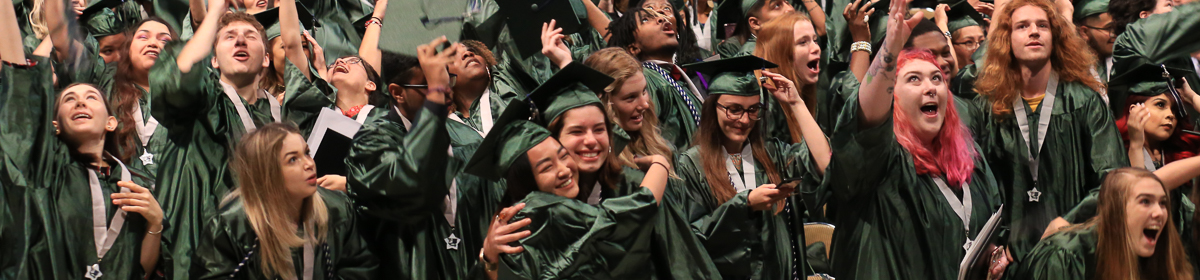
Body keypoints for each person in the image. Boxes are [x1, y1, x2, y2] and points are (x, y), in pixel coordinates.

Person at [824, 0, 1002, 276]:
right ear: (891, 96)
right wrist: (890, 51)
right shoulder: (882, 164)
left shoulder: (969, 155)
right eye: (914, 79)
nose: (930, 87)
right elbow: (866, 118)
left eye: (936, 78)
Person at [967, 0, 1127, 270]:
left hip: (1075, 253)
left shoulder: (1083, 102)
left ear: (1055, 37)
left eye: (1042, 25)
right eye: (1022, 26)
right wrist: (998, 243)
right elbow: (978, 189)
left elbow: (1113, 180)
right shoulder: (989, 108)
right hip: (1009, 260)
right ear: (1007, 40)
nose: (1034, 31)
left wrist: (1067, 223)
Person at [148, 1, 296, 277]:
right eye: (229, 36)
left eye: (250, 36)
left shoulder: (281, 117)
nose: (240, 40)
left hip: (269, 253)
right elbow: (179, 76)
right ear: (213, 60)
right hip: (201, 253)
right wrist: (215, 11)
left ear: (266, 59)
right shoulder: (203, 104)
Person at [345, 37, 503, 279]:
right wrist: (435, 101)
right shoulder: (370, 145)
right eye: (431, 85)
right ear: (398, 93)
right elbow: (408, 187)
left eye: (447, 80)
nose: (447, 93)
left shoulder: (468, 139)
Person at [469, 101, 670, 280]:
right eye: (547, 167)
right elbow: (632, 213)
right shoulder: (544, 210)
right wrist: (660, 163)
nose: (564, 170)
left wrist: (488, 258)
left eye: (563, 155)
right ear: (526, 181)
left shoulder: (514, 215)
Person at [674, 55, 829, 280]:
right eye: (734, 109)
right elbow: (692, 237)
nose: (745, 120)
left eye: (753, 109)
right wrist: (744, 205)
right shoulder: (691, 164)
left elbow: (824, 163)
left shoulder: (773, 155)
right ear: (712, 108)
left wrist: (796, 103)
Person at [0, 65, 162, 279]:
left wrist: (155, 222)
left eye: (92, 97)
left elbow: (141, 271)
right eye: (69, 99)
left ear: (110, 122)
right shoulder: (44, 174)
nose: (80, 102)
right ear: (56, 125)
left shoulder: (136, 184)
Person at [192, 123, 379, 279]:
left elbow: (360, 269)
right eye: (293, 160)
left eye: (307, 153)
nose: (309, 164)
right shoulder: (230, 226)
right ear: (268, 173)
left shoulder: (337, 208)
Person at [1016, 168, 1193, 280]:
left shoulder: (1163, 257)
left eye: (1163, 203)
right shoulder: (1065, 258)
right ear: (1116, 209)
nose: (1159, 213)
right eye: (1145, 201)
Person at [608, 1, 703, 149]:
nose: (661, 18)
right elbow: (646, 143)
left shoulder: (672, 77)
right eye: (646, 19)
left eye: (665, 11)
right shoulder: (646, 80)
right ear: (633, 48)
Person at [582, 47, 675, 167]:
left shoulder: (658, 144)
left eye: (644, 91)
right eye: (630, 97)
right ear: (604, 103)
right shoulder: (599, 163)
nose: (645, 104)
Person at [754, 12, 822, 143]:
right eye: (803, 42)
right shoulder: (765, 104)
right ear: (780, 52)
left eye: (815, 40)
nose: (816, 48)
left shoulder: (805, 96)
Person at [1073, 0, 1116, 84]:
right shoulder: (1073, 72)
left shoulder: (1124, 63)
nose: (1115, 34)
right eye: (1108, 28)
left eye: (1118, 28)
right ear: (1084, 32)